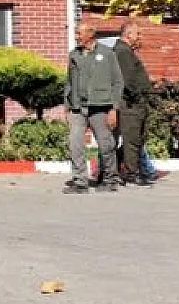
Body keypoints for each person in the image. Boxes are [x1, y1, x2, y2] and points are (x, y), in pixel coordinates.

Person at [65, 22, 124, 193]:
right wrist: (67, 105)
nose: (77, 36)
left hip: (101, 107)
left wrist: (114, 108)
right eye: (76, 33)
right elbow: (68, 82)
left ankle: (110, 179)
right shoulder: (74, 55)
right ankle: (80, 181)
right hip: (78, 107)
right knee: (75, 143)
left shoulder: (107, 54)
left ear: (91, 34)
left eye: (79, 33)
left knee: (106, 145)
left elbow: (117, 82)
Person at [112, 21, 158, 186]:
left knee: (138, 139)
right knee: (132, 139)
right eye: (138, 34)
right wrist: (138, 95)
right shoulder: (122, 52)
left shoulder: (126, 52)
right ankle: (131, 174)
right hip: (131, 104)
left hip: (137, 102)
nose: (140, 37)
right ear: (128, 34)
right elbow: (127, 80)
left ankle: (113, 166)